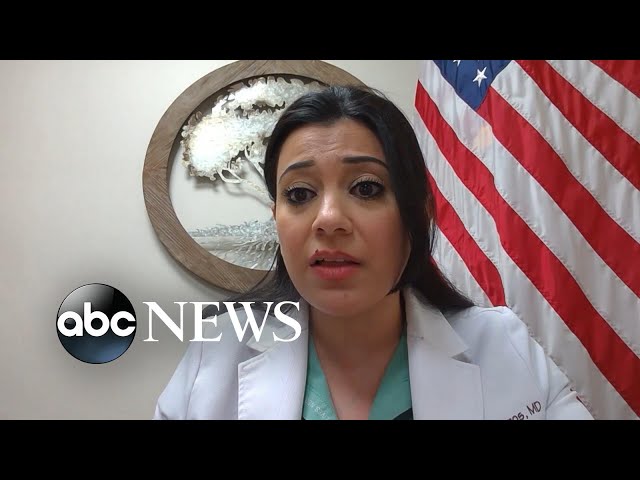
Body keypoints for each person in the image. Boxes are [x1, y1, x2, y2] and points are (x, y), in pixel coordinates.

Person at [153, 84, 594, 420]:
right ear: (277, 219)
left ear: (418, 215)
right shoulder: (215, 356)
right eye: (300, 193)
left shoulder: (503, 347)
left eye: (366, 188)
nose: (328, 219)